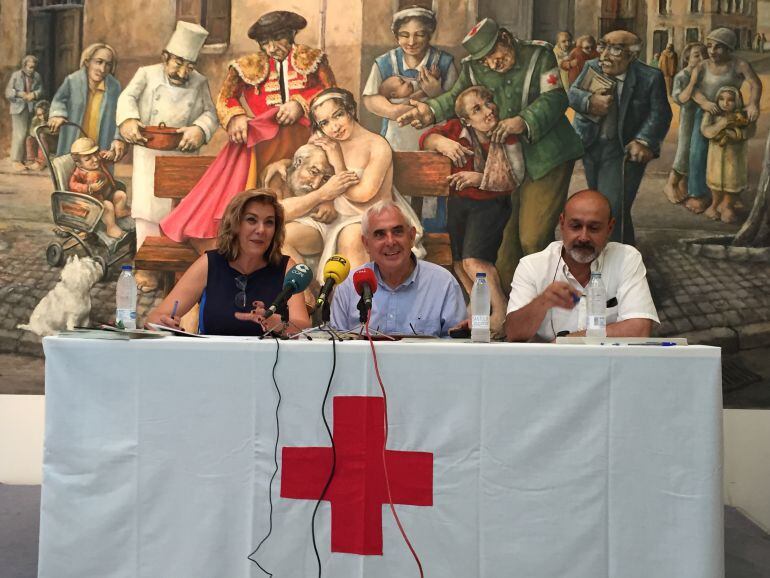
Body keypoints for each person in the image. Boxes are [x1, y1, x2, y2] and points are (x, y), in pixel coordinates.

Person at [397, 17, 583, 287]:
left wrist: (524, 121)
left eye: (494, 56)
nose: (490, 64)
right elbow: (457, 98)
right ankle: (510, 308)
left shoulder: (538, 54)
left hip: (546, 157)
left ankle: (546, 299)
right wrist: (430, 110)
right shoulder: (474, 67)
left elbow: (555, 98)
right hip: (503, 161)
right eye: (483, 60)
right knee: (504, 245)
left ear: (505, 39)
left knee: (532, 237)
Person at [159, 10, 336, 252]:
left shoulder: (314, 60)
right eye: (265, 43)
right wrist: (237, 117)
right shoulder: (247, 65)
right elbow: (225, 99)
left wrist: (301, 104)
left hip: (307, 141)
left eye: (278, 40)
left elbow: (332, 95)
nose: (272, 48)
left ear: (292, 35)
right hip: (262, 145)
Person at [280, 88, 424, 281]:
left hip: (370, 218)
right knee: (282, 236)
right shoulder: (325, 143)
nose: (334, 127)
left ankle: (356, 308)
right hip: (334, 220)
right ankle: (307, 297)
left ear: (350, 111)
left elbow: (364, 194)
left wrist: (338, 162)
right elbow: (310, 180)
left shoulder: (377, 145)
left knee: (351, 236)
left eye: (338, 115)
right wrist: (326, 201)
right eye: (325, 123)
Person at [117, 20, 218, 291]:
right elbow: (126, 99)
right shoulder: (146, 74)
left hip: (183, 155)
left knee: (182, 214)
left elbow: (210, 114)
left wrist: (199, 129)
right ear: (165, 57)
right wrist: (128, 121)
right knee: (147, 214)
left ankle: (179, 267)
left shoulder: (199, 82)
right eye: (178, 63)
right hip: (148, 153)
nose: (183, 71)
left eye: (190, 66)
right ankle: (147, 270)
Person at [420, 85, 523, 334]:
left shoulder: (505, 135)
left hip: (490, 204)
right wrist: (442, 142)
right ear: (465, 119)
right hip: (459, 203)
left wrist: (479, 178)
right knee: (459, 263)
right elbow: (426, 138)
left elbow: (516, 176)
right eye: (478, 109)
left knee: (475, 261)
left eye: (488, 102)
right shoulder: (456, 129)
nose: (488, 111)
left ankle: (500, 312)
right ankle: (477, 310)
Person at [147, 189, 311, 336]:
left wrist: (279, 325)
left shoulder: (286, 268)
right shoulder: (209, 263)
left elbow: (304, 328)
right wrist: (162, 324)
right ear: (235, 225)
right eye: (252, 220)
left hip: (270, 366)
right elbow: (155, 318)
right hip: (213, 363)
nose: (261, 230)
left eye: (269, 222)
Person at [504, 189, 658, 342]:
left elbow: (640, 329)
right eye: (575, 226)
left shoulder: (626, 258)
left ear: (609, 228)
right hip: (549, 365)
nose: (584, 237)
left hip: (608, 364)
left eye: (594, 228)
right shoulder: (532, 266)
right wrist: (542, 302)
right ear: (562, 223)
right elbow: (514, 334)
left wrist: (565, 342)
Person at [568, 30, 672, 245]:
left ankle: (615, 261)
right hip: (591, 145)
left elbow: (660, 113)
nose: (604, 54)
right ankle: (621, 255)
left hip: (623, 151)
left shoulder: (650, 77)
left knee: (611, 208)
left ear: (632, 56)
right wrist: (589, 101)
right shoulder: (592, 67)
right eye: (602, 46)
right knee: (604, 206)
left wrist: (644, 140)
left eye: (615, 49)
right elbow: (573, 94)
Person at [362, 6, 458, 231]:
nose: (411, 41)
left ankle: (433, 243)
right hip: (396, 141)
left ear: (430, 34)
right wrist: (396, 111)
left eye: (420, 34)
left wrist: (436, 94)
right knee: (398, 193)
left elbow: (456, 105)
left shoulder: (444, 62)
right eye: (405, 35)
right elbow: (369, 99)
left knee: (433, 193)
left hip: (434, 141)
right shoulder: (384, 63)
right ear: (396, 36)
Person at [330, 201, 466, 337]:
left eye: (397, 232)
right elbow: (335, 348)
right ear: (366, 244)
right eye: (380, 234)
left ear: (412, 236)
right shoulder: (348, 286)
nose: (390, 242)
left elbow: (457, 348)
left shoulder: (443, 283)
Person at [684, 27, 762, 214]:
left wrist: (753, 104)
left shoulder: (739, 64)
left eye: (718, 47)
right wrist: (704, 102)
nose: (712, 51)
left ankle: (731, 196)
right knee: (697, 153)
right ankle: (698, 194)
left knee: (731, 157)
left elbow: (755, 83)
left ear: (729, 49)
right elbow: (692, 88)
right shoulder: (702, 66)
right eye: (709, 46)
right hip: (707, 113)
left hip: (732, 115)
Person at [48, 43, 125, 163]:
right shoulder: (72, 80)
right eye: (99, 62)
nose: (102, 69)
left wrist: (118, 138)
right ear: (87, 62)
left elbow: (120, 114)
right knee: (70, 174)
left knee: (98, 176)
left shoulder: (114, 87)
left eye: (108, 64)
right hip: (75, 141)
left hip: (101, 142)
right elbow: (59, 100)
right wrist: (58, 114)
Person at [700, 86, 755, 223]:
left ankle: (727, 205)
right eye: (722, 99)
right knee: (715, 181)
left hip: (734, 157)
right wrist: (722, 124)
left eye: (730, 100)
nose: (725, 103)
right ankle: (714, 204)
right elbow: (706, 131)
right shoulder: (711, 114)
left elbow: (749, 131)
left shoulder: (742, 115)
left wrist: (735, 134)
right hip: (716, 157)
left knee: (732, 181)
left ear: (737, 101)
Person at [664, 42, 708, 205]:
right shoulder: (682, 76)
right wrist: (693, 80)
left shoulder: (707, 74)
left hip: (703, 119)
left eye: (704, 55)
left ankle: (687, 186)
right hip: (688, 119)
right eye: (697, 55)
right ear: (688, 57)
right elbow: (680, 98)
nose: (702, 58)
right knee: (684, 151)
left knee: (697, 153)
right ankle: (671, 184)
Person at [68, 137, 130, 239]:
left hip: (107, 194)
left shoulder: (98, 160)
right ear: (79, 163)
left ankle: (120, 211)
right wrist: (89, 188)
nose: (95, 159)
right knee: (108, 206)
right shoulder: (78, 173)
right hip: (94, 201)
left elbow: (104, 156)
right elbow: (73, 185)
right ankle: (111, 228)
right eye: (88, 159)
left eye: (95, 154)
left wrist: (111, 154)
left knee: (120, 195)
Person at [5, 55, 43, 172]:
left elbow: (41, 90)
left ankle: (27, 159)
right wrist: (20, 94)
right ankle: (16, 160)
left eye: (34, 67)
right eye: (30, 67)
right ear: (24, 66)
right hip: (18, 108)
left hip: (31, 108)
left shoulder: (37, 76)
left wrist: (35, 94)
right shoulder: (16, 76)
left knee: (29, 134)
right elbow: (8, 92)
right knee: (19, 134)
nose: (32, 70)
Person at [26, 99, 51, 170]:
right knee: (29, 138)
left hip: (51, 141)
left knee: (42, 135)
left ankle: (42, 161)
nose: (42, 117)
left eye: (44, 113)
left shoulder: (51, 119)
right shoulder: (35, 119)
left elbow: (54, 132)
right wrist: (37, 131)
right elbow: (31, 131)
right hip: (39, 138)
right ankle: (31, 159)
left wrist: (43, 129)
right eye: (39, 115)